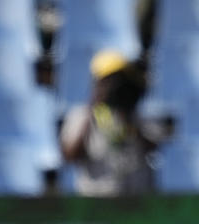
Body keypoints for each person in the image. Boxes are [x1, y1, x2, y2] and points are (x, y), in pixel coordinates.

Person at [60, 50, 164, 196]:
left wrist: (128, 118)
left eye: (119, 82)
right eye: (107, 81)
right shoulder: (81, 115)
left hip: (136, 200)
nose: (113, 89)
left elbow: (154, 147)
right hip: (97, 201)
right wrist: (92, 109)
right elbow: (70, 155)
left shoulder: (140, 116)